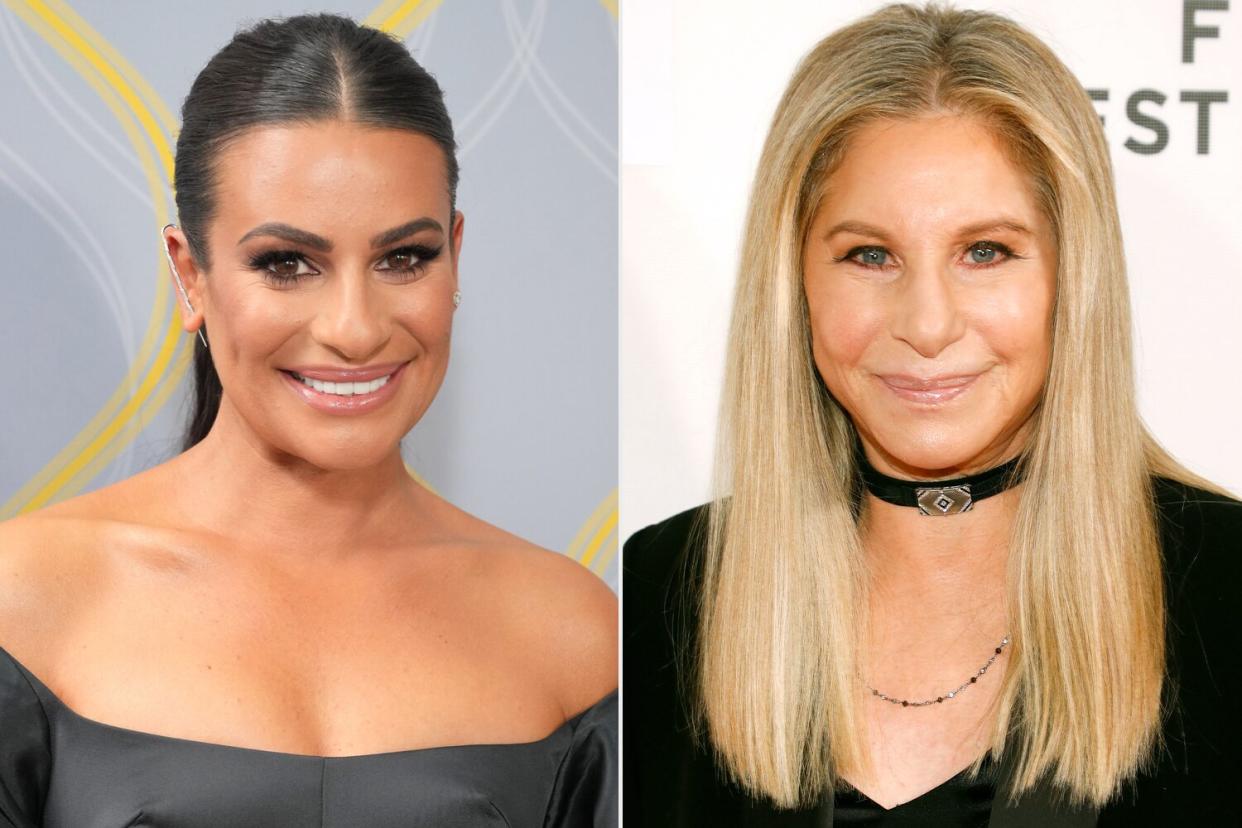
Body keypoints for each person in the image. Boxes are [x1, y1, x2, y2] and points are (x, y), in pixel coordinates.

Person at [623, 3, 1240, 826]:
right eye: (869, 255)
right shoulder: (663, 591)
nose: (927, 323)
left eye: (985, 252)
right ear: (795, 280)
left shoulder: (1227, 592)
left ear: (1072, 275)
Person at [0, 13, 616, 827]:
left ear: (455, 258)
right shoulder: (27, 598)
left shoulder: (575, 631)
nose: (355, 328)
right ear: (191, 276)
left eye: (404, 258)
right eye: (286, 264)